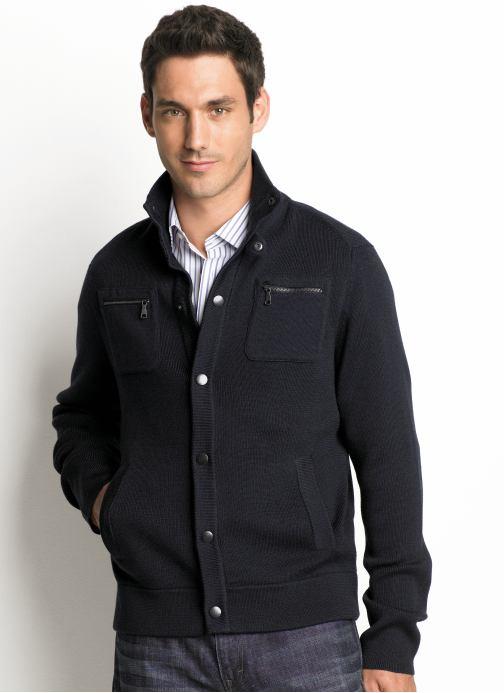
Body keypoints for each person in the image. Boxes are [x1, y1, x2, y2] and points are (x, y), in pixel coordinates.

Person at [51, 5, 432, 692]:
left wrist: (394, 635)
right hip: (157, 645)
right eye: (175, 111)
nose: (196, 137)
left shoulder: (338, 262)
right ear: (148, 115)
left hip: (308, 641)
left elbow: (388, 452)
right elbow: (82, 417)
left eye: (218, 109)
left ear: (258, 109)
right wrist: (110, 501)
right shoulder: (115, 274)